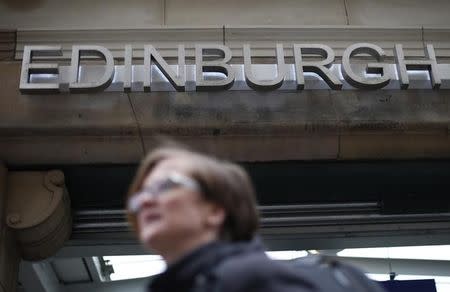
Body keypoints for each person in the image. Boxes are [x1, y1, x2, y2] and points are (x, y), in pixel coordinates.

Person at [126, 143, 386, 292]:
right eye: (142, 193)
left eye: (166, 185)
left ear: (215, 211)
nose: (145, 200)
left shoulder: (246, 281)